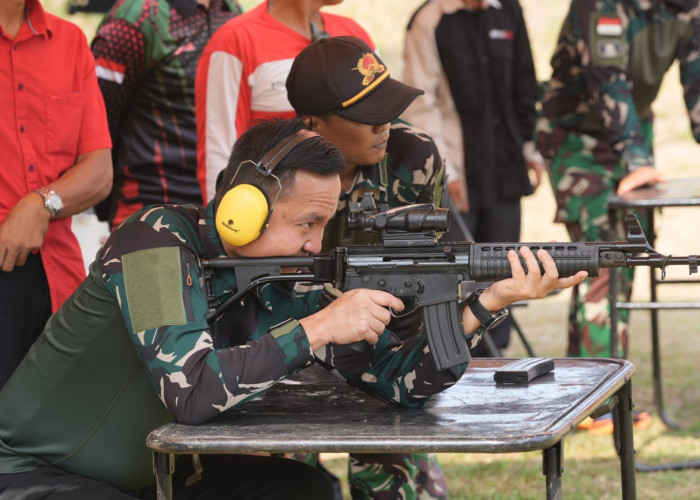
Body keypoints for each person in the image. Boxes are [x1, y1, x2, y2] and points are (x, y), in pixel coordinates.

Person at [0, 117, 586, 499]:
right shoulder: (153, 244)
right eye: (306, 223)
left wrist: (487, 303)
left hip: (166, 475)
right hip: (37, 475)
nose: (316, 243)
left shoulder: (286, 276)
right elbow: (192, 393)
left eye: (324, 224)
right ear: (242, 209)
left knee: (306, 492)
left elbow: (399, 382)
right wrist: (319, 326)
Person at [285, 35, 451, 499]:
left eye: (388, 107)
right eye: (367, 115)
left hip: (387, 346)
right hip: (290, 350)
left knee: (390, 486)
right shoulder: (267, 173)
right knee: (286, 482)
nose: (386, 125)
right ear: (313, 124)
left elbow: (427, 270)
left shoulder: (413, 157)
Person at [535, 0, 700, 363]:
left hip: (634, 136)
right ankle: (606, 397)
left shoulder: (689, 8)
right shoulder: (601, 5)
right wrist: (637, 160)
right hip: (577, 139)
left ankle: (584, 381)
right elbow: (609, 82)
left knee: (622, 259)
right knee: (604, 258)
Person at [402, 0, 545, 356]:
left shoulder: (508, 10)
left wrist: (529, 147)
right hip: (455, 173)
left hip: (505, 167)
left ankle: (498, 358)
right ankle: (455, 361)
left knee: (506, 266)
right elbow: (421, 103)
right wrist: (445, 171)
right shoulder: (429, 19)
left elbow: (524, 82)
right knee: (458, 275)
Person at [0, 0, 113, 390]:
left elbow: (99, 172)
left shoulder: (70, 42)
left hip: (56, 276)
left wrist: (41, 203)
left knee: (49, 436)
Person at [195, 0, 375, 203]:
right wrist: (224, 226)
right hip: (274, 212)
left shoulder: (354, 34)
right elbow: (219, 154)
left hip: (356, 208)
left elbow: (384, 119)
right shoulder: (235, 41)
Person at [91, 0, 242, 229]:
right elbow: (98, 126)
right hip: (152, 213)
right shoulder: (135, 18)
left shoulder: (229, 10)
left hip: (225, 206)